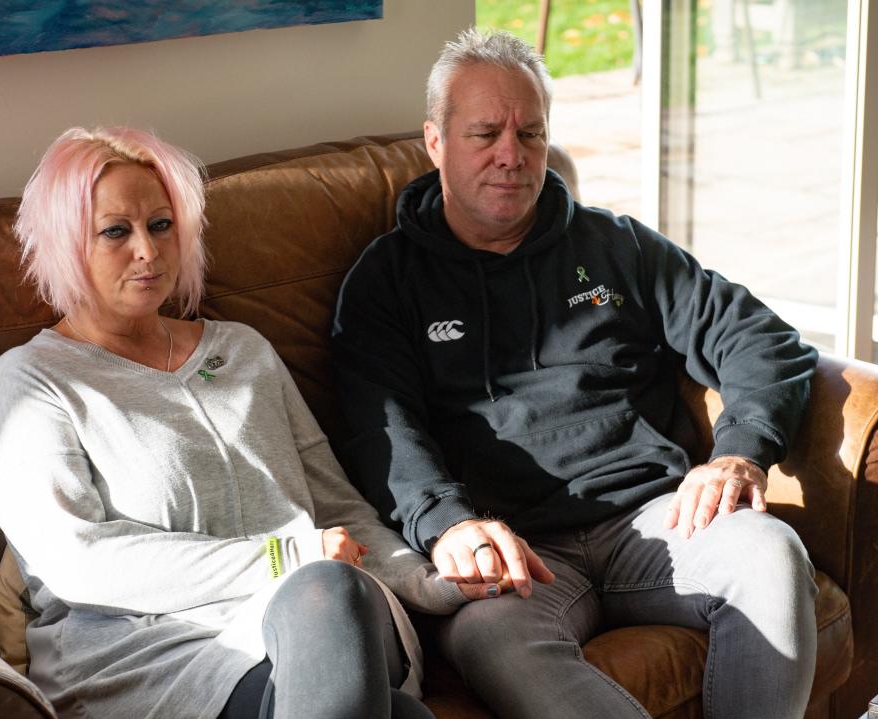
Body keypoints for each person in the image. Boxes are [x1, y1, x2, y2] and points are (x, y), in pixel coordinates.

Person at [331, 28, 819, 719]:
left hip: (658, 517)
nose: (511, 155)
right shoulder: (386, 283)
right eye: (485, 134)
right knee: (488, 638)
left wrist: (739, 452)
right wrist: (447, 527)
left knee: (770, 552)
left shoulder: (614, 247)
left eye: (530, 133)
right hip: (519, 555)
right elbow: (378, 433)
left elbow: (760, 337)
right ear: (435, 141)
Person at [0, 126, 484, 719]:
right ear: (66, 244)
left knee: (331, 592)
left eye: (161, 225)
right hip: (147, 656)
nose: (148, 250)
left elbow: (336, 510)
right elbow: (77, 563)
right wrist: (283, 558)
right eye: (116, 231)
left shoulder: (243, 350)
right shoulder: (33, 382)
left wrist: (435, 582)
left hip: (321, 621)